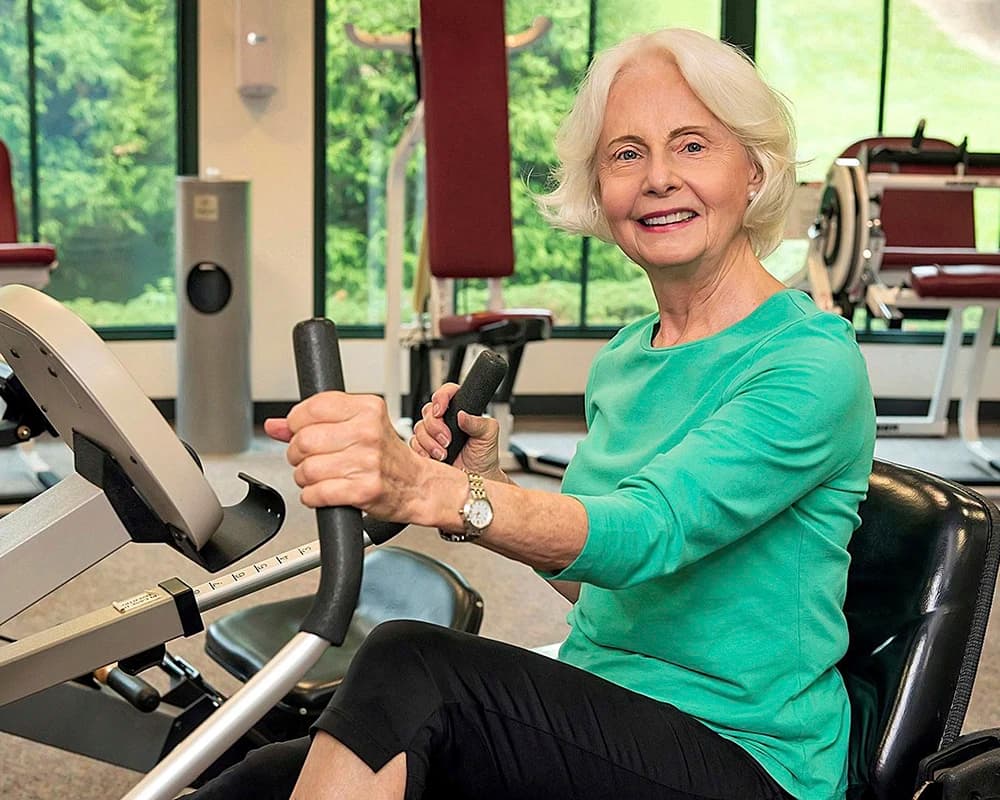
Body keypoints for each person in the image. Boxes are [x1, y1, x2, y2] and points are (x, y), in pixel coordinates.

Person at [184, 27, 875, 800]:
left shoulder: (809, 362)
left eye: (691, 146)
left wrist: (429, 489)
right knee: (265, 779)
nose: (655, 180)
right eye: (626, 154)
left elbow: (649, 534)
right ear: (599, 189)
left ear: (753, 170)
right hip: (607, 718)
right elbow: (599, 584)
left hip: (743, 759)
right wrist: (489, 478)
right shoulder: (627, 356)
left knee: (412, 666)